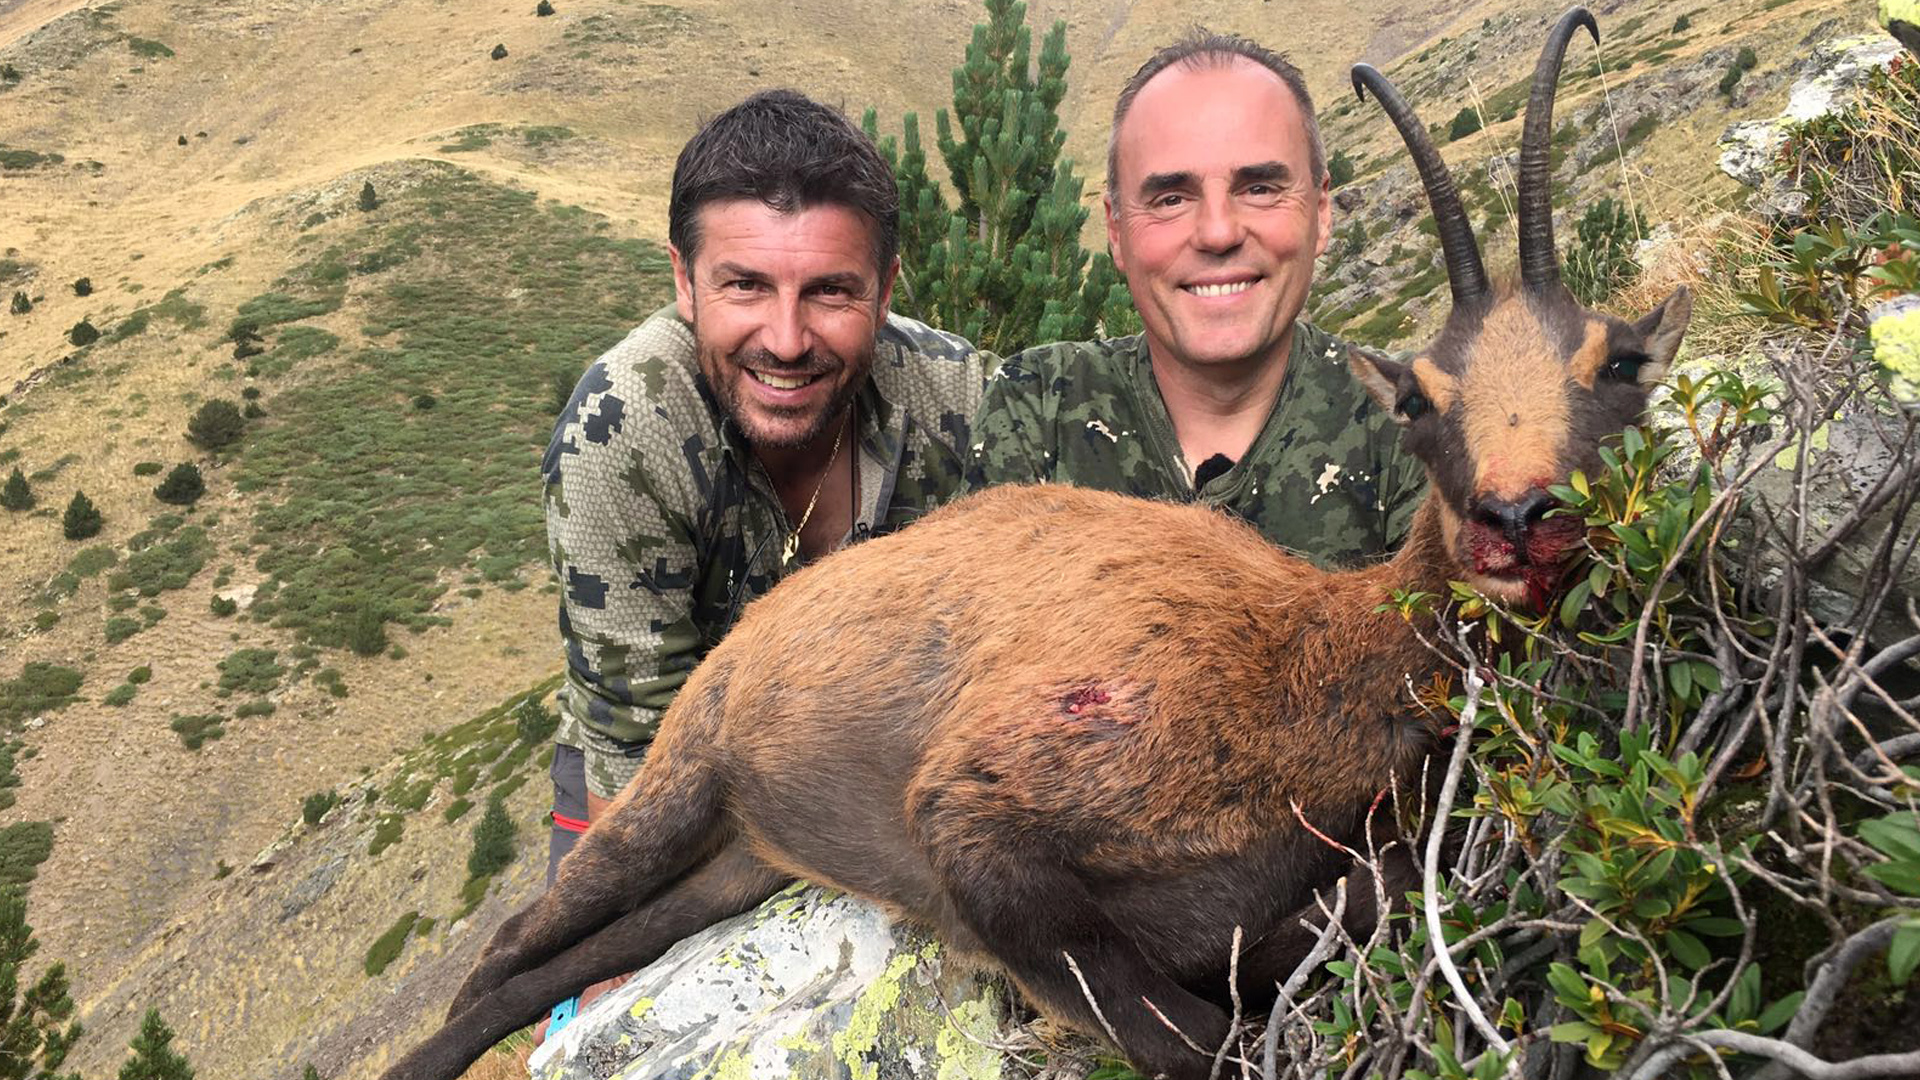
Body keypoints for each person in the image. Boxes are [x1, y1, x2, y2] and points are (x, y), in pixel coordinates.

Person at [536, 88, 988, 1036]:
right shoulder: (624, 432)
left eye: (830, 291)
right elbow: (642, 774)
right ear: (683, 280)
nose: (787, 341)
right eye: (745, 286)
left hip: (880, 780)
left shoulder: (959, 401)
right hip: (659, 783)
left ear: (887, 287)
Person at [967, 31, 1425, 565]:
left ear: (1321, 212)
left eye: (1259, 188)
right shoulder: (1039, 407)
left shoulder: (1409, 426)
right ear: (1116, 232)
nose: (1217, 232)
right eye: (1171, 198)